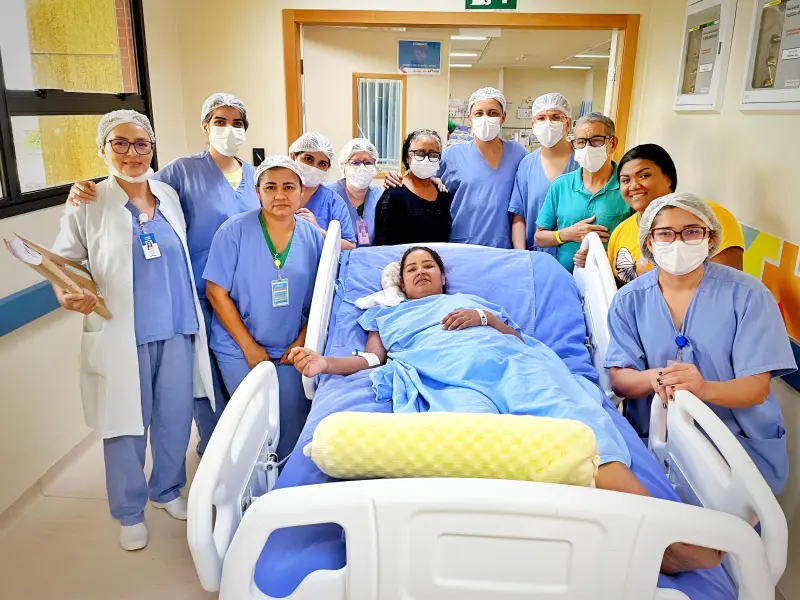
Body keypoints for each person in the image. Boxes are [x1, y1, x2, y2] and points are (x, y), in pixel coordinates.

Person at [290, 246, 722, 574]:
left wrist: (481, 318)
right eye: (411, 268)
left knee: (575, 420)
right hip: (444, 374)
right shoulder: (387, 317)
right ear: (400, 282)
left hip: (512, 363)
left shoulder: (471, 301)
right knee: (472, 435)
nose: (421, 272)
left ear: (442, 275)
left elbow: (515, 336)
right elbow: (371, 360)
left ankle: (659, 536)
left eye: (428, 266)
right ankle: (511, 531)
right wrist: (324, 363)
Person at [52, 110, 214, 550]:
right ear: (102, 149)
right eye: (120, 143)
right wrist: (67, 294)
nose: (132, 153)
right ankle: (129, 511)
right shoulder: (88, 201)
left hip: (178, 327)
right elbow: (63, 264)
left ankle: (167, 490)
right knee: (124, 424)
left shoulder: (167, 195)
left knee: (176, 418)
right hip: (123, 332)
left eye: (141, 143)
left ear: (152, 148)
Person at [67, 92, 259, 456]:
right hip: (197, 292)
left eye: (237, 123)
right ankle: (215, 450)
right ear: (205, 126)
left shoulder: (254, 175)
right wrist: (85, 189)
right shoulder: (181, 171)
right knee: (205, 378)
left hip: (245, 295)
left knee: (242, 373)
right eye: (220, 121)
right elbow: (134, 184)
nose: (229, 129)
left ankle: (248, 450)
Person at [605, 193, 797, 495]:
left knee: (738, 523)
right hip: (656, 443)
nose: (678, 241)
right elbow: (619, 378)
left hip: (739, 446)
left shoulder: (748, 296)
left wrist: (702, 388)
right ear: (649, 242)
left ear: (710, 239)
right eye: (665, 233)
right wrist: (655, 378)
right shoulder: (629, 301)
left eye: (692, 231)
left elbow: (756, 388)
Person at [203, 156, 324, 461]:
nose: (280, 195)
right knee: (253, 421)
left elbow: (322, 297)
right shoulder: (234, 231)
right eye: (270, 187)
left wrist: (302, 341)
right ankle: (251, 484)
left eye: (288, 187)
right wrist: (248, 346)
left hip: (291, 346)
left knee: (293, 417)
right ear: (257, 191)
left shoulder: (313, 237)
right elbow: (216, 292)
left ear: (302, 191)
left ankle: (285, 482)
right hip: (238, 346)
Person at [385, 87, 527, 248]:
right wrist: (398, 178)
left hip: (502, 247)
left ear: (503, 117)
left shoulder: (517, 153)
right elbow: (422, 179)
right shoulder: (452, 155)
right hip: (460, 245)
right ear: (469, 118)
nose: (486, 118)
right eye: (479, 113)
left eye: (492, 113)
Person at [592, 143, 744, 282]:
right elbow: (613, 286)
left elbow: (726, 285)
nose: (634, 186)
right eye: (626, 180)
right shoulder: (620, 232)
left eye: (644, 175)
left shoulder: (706, 215)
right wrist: (592, 262)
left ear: (669, 178)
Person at [533, 112, 632, 273]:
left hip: (610, 281)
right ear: (574, 145)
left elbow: (640, 242)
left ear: (612, 143)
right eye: (581, 142)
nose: (588, 147)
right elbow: (539, 238)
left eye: (596, 140)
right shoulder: (561, 185)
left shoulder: (628, 187)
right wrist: (567, 234)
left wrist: (601, 259)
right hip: (565, 279)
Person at [509, 93, 579, 255]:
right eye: (541, 118)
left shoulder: (582, 162)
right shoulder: (527, 165)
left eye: (556, 117)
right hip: (536, 254)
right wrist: (522, 255)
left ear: (568, 123)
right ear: (533, 123)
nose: (548, 123)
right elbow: (519, 217)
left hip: (575, 256)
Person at [373, 130, 452, 246]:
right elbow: (383, 244)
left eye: (433, 154)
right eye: (419, 153)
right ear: (407, 157)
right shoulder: (394, 194)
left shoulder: (442, 194)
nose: (426, 159)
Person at [289, 132, 356, 249]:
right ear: (293, 157)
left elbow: (350, 246)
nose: (314, 167)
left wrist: (319, 231)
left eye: (322, 164)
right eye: (308, 159)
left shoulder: (334, 202)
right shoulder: (278, 194)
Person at [324, 138, 382, 246]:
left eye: (368, 163)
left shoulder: (381, 196)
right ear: (344, 167)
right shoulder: (328, 194)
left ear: (375, 167)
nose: (362, 168)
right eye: (355, 163)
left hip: (372, 255)